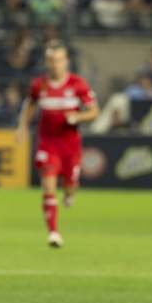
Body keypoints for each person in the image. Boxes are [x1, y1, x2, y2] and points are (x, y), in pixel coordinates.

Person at [16, 40, 99, 248]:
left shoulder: (78, 84)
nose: (55, 64)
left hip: (70, 145)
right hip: (48, 143)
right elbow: (30, 105)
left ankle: (70, 193)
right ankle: (53, 232)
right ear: (47, 62)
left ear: (66, 61)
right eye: (51, 60)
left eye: (59, 60)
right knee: (48, 186)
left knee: (70, 186)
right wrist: (22, 128)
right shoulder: (38, 85)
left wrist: (78, 117)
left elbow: (94, 111)